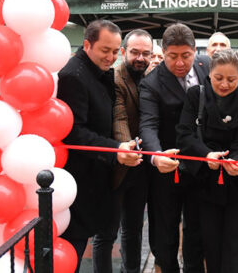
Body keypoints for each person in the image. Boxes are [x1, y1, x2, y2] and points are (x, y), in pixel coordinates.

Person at [56, 20, 142, 272]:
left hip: (97, 175)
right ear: (87, 44)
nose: (111, 57)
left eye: (116, 51)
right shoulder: (74, 75)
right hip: (80, 179)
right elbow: (74, 133)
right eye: (105, 50)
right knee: (72, 247)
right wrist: (115, 150)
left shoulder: (99, 71)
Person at [176, 49, 238, 273]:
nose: (224, 84)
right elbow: (184, 134)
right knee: (201, 240)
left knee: (235, 243)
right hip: (201, 180)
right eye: (218, 78)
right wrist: (204, 155)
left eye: (231, 79)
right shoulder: (196, 95)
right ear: (209, 74)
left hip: (234, 183)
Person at [139, 23, 209, 273]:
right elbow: (148, 124)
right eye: (172, 57)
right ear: (163, 52)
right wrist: (156, 155)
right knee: (166, 229)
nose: (180, 63)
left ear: (194, 51)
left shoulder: (207, 66)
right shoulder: (151, 83)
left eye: (186, 56)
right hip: (169, 167)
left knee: (197, 228)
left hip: (202, 165)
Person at [110, 29, 153, 273]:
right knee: (107, 232)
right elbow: (119, 118)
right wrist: (128, 149)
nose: (140, 58)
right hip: (120, 163)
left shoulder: (149, 77)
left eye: (146, 53)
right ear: (124, 52)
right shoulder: (116, 78)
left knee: (134, 228)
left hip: (141, 166)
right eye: (135, 52)